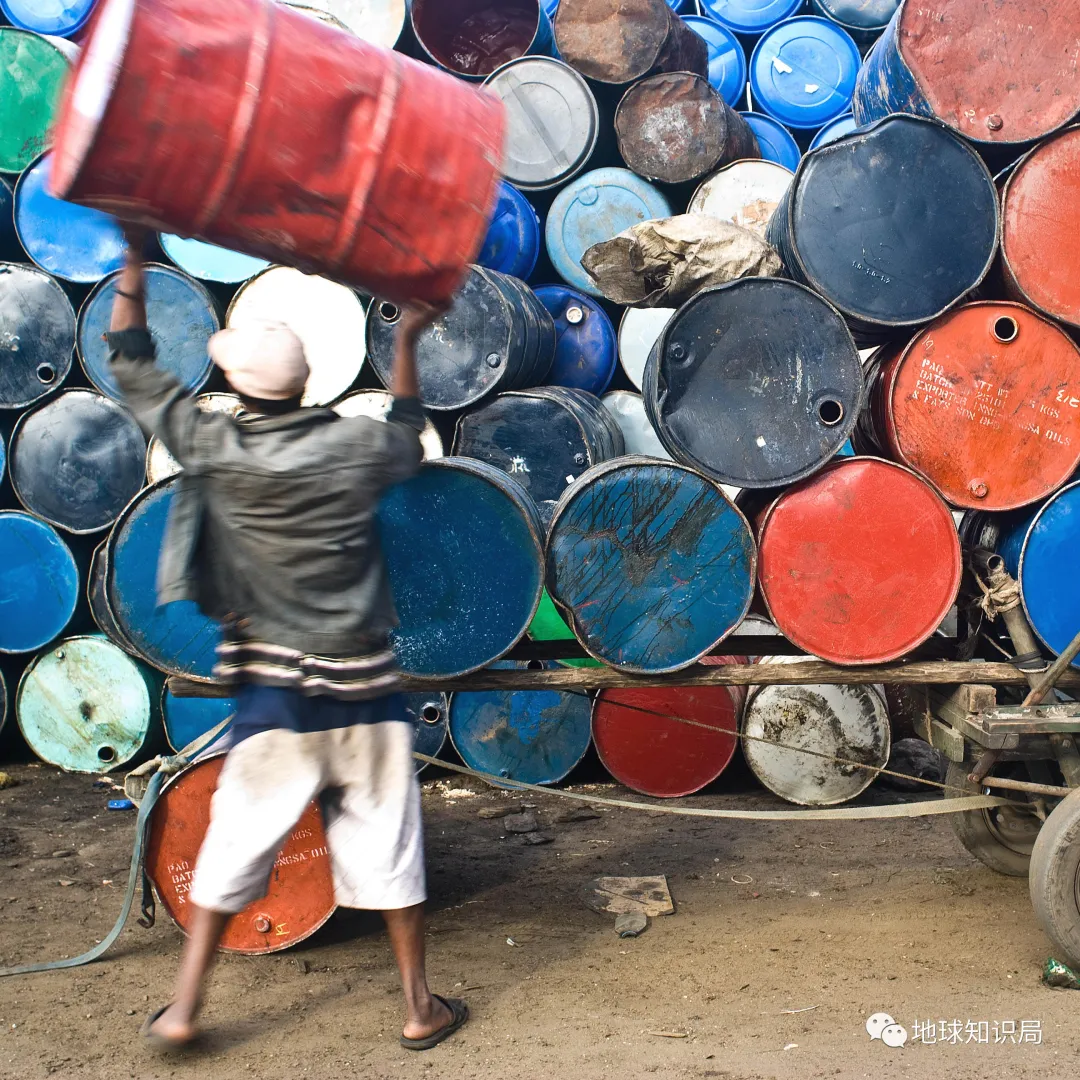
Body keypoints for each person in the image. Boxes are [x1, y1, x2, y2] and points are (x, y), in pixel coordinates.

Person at [108, 227, 466, 1053]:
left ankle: (187, 1007)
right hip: (364, 689)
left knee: (235, 844)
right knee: (388, 844)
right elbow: (408, 432)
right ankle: (418, 1007)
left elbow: (131, 366)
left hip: (274, 694)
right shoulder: (349, 445)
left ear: (237, 385)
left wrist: (134, 260)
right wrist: (406, 338)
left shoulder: (217, 445)